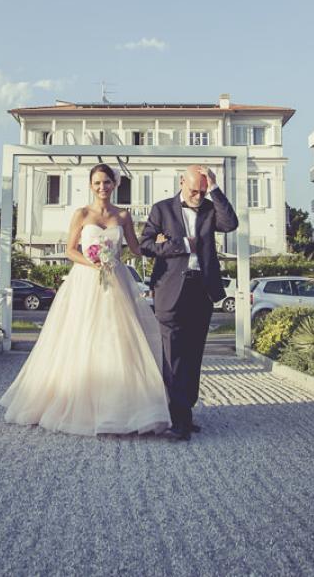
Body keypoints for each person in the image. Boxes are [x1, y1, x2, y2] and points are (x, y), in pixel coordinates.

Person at [0, 163, 170, 436]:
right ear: (91, 185)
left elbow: (136, 250)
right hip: (86, 280)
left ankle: (122, 406)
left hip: (116, 281)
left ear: (114, 185)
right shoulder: (81, 213)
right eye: (97, 183)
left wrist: (159, 243)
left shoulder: (123, 216)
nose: (103, 187)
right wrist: (93, 263)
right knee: (81, 336)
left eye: (107, 183)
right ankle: (78, 402)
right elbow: (69, 250)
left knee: (117, 339)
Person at [138, 165, 238, 441]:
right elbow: (145, 245)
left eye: (203, 191)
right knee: (172, 356)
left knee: (193, 356)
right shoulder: (162, 209)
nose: (197, 196)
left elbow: (230, 224)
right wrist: (181, 244)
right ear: (181, 181)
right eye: (194, 190)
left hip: (202, 290)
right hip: (170, 289)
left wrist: (215, 189)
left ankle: (185, 413)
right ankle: (177, 418)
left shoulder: (209, 207)